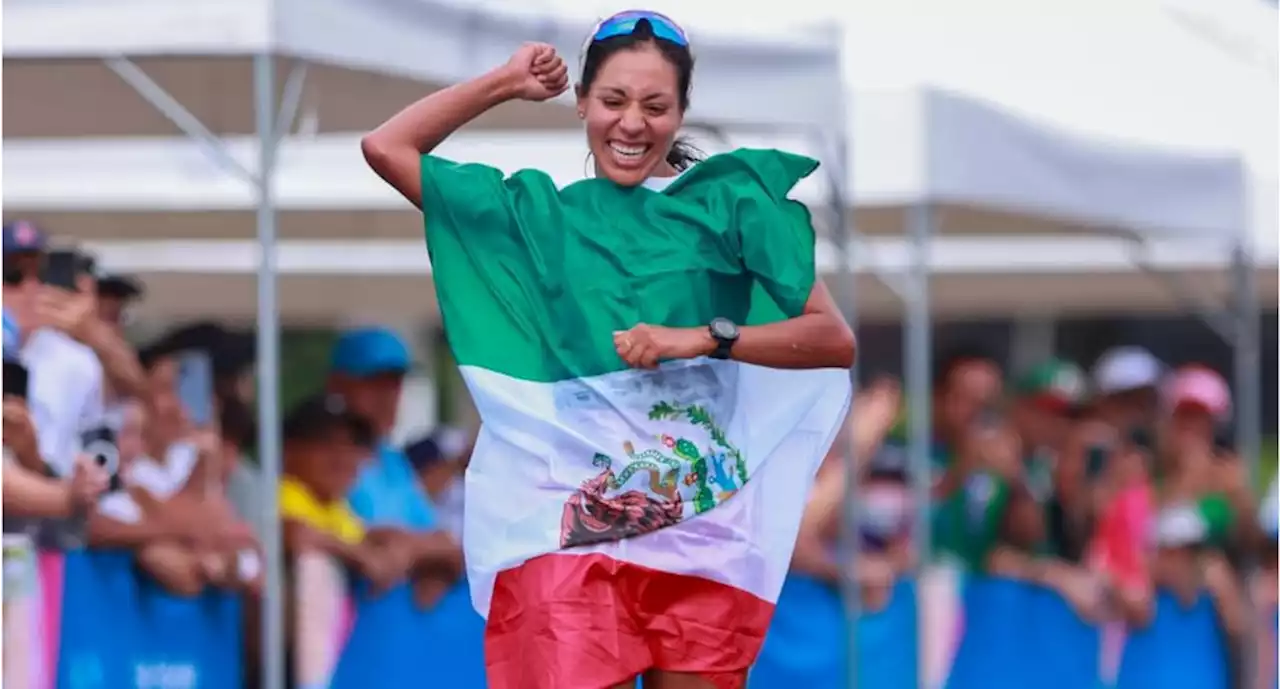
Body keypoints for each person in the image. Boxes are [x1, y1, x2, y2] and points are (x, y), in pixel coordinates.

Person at [363, 10, 854, 689]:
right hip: (569, 534)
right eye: (614, 100)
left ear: (680, 114)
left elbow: (834, 339)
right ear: (582, 102)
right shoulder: (534, 218)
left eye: (655, 106)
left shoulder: (729, 211)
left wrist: (706, 338)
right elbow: (388, 147)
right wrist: (505, 81)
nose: (632, 124)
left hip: (700, 528)